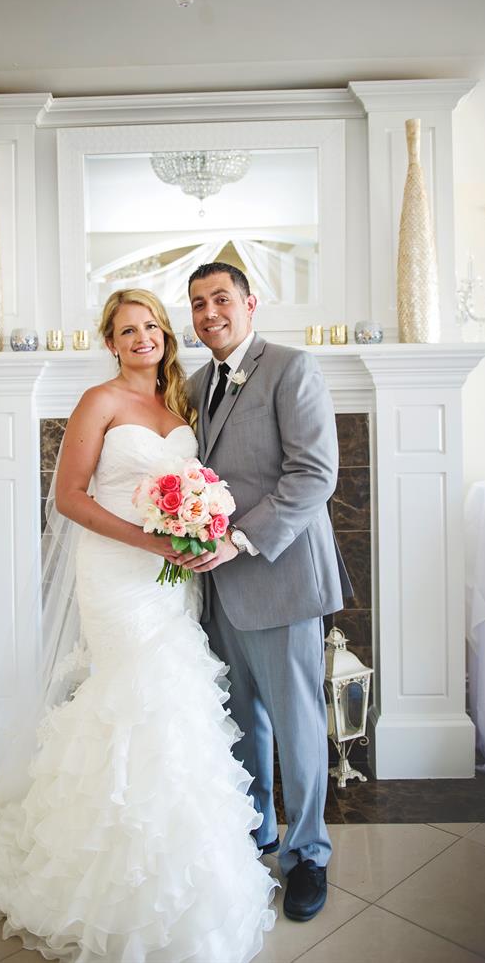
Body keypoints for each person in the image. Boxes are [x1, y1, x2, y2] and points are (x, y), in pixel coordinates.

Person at [0, 288, 275, 963]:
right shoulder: (101, 401)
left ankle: (176, 859)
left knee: (176, 701)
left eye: (150, 326)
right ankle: (105, 874)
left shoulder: (180, 406)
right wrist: (154, 543)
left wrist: (195, 529)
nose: (141, 337)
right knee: (135, 696)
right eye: (126, 329)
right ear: (110, 342)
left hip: (171, 579)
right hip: (118, 575)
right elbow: (70, 498)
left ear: (165, 335)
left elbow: (190, 490)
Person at [180, 262, 352, 923]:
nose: (209, 313)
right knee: (241, 723)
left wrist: (242, 540)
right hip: (216, 588)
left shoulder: (291, 367)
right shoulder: (195, 386)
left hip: (278, 578)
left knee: (297, 726)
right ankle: (258, 836)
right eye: (197, 304)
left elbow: (315, 475)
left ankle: (308, 854)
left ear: (251, 303)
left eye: (220, 298)